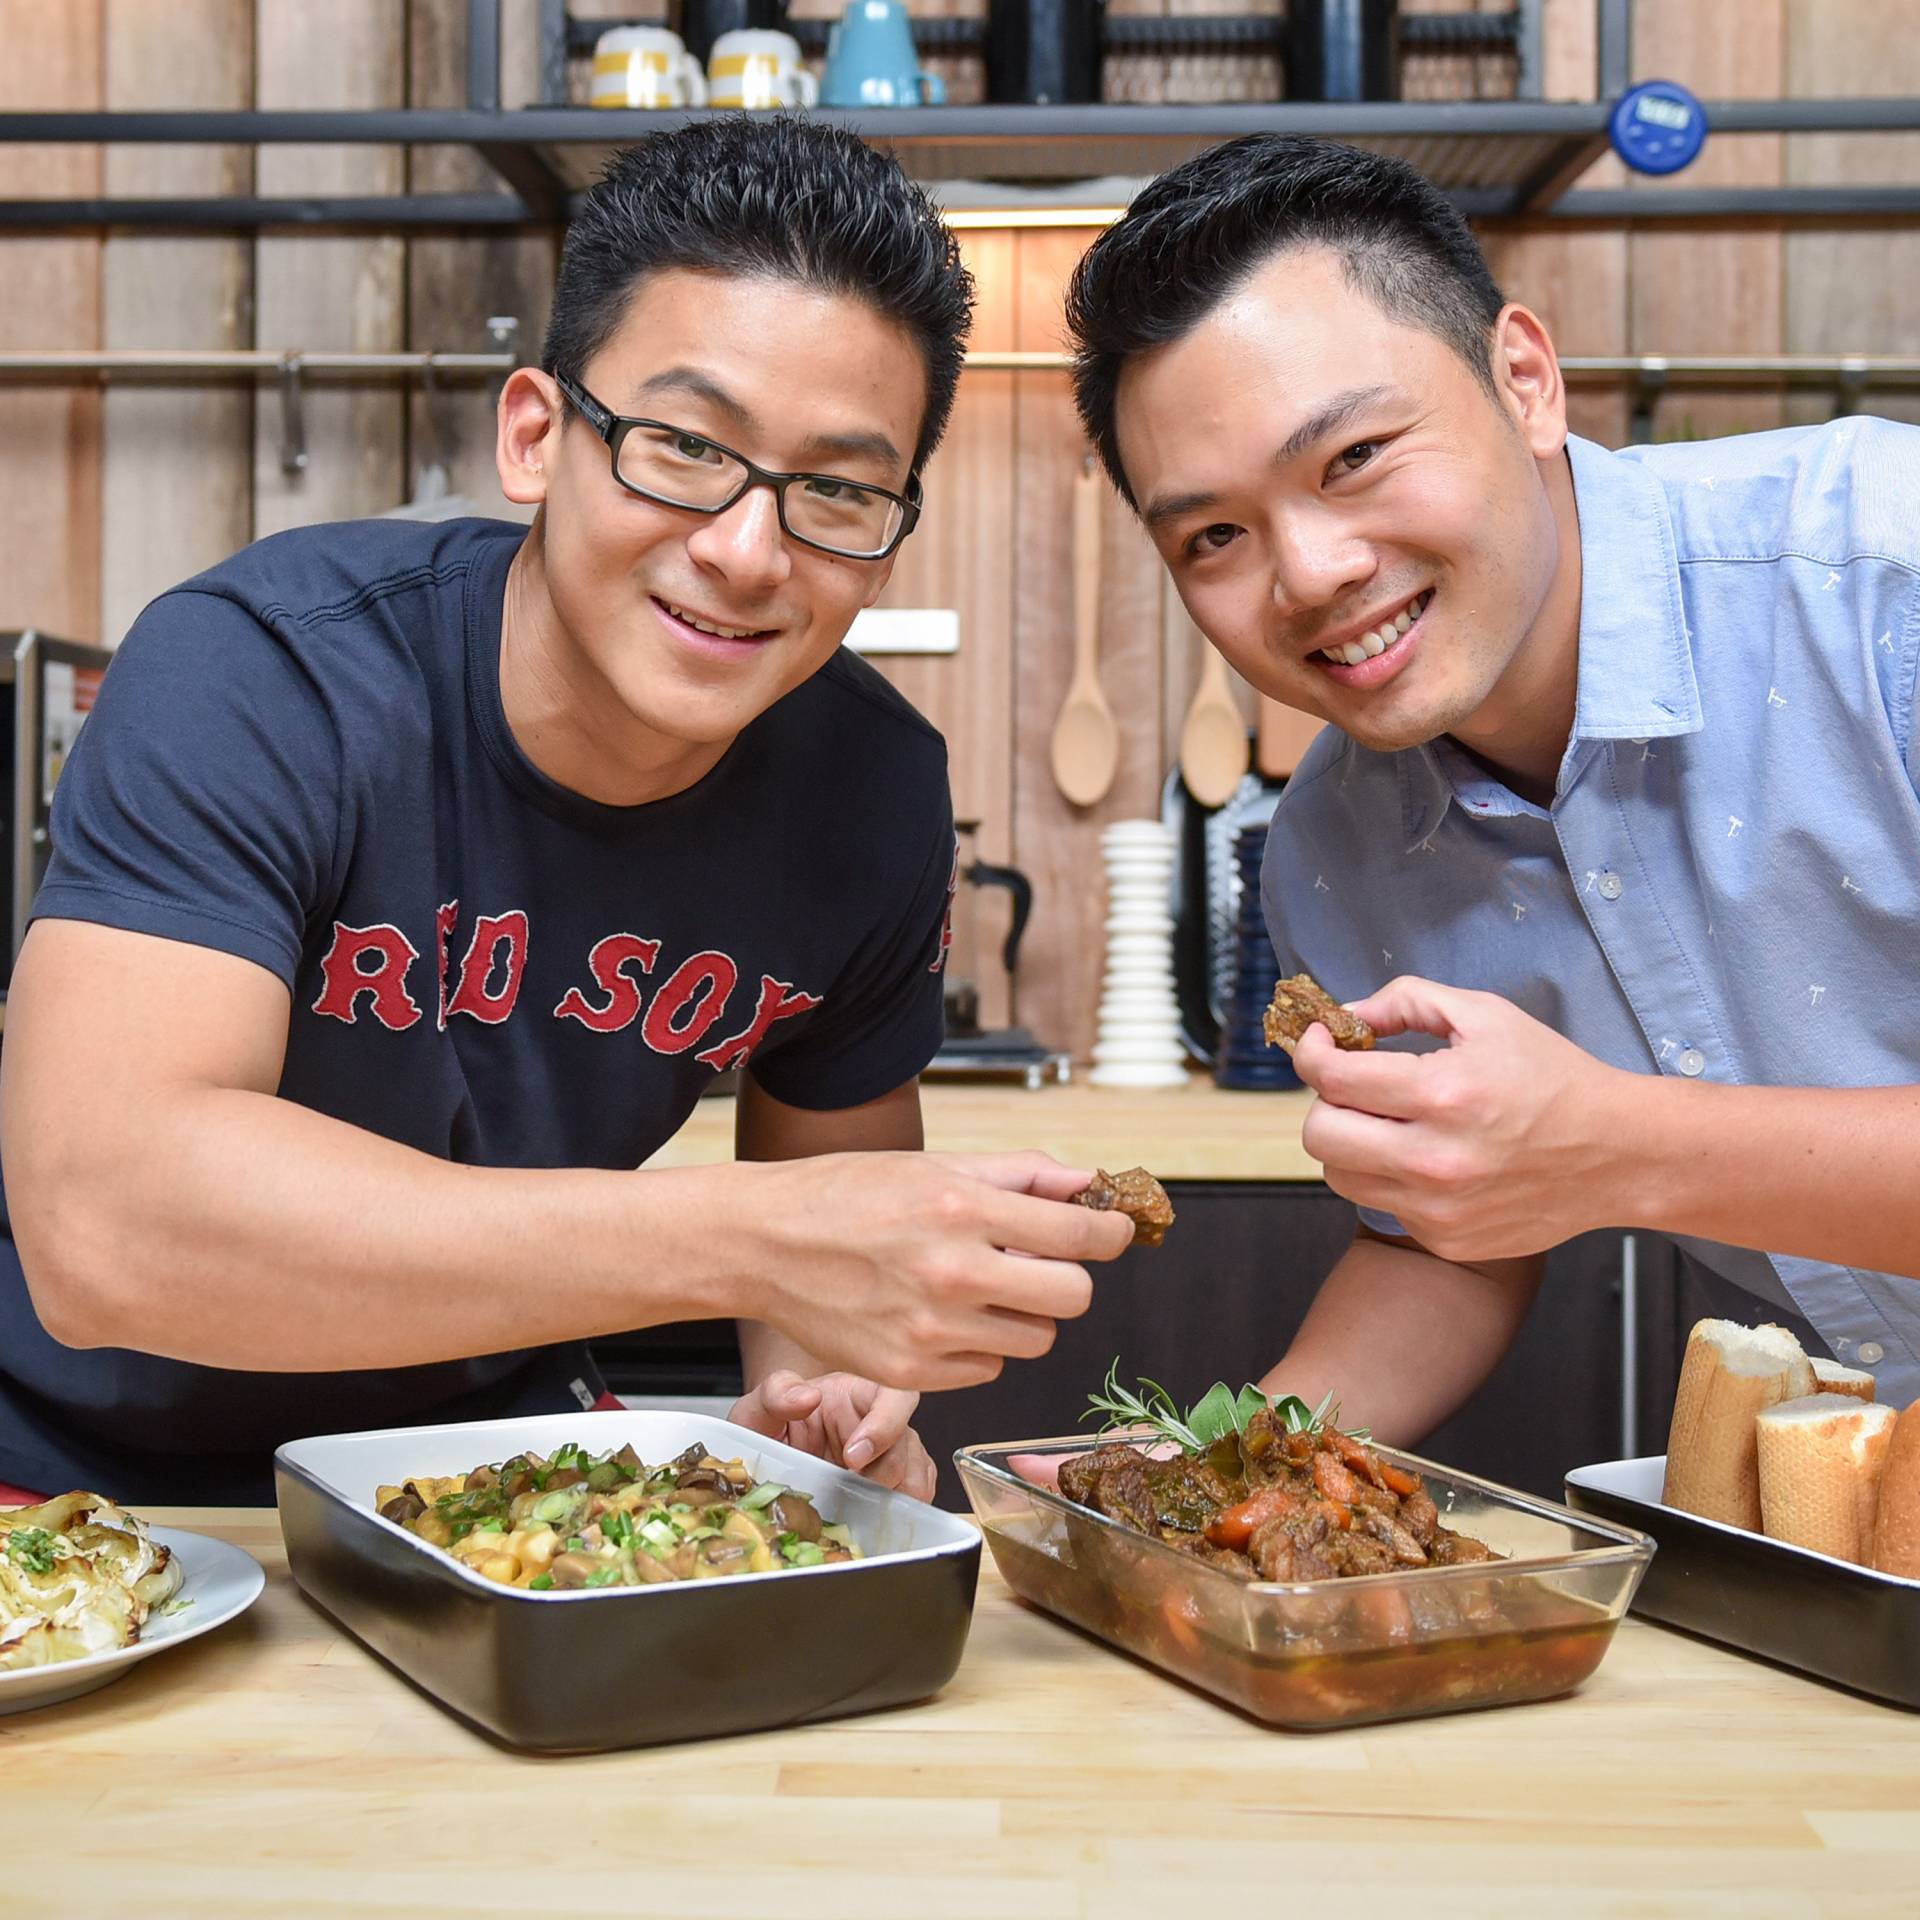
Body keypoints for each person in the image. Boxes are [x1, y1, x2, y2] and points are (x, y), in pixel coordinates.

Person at [0, 116, 1131, 1508]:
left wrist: (822, 1403)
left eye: (836, 489)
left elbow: (816, 1263)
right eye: (681, 446)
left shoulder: (870, 791)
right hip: (67, 1478)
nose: (744, 550)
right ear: (539, 435)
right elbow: (103, 1225)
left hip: (490, 1486)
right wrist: (742, 1236)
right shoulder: (263, 671)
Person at [1063, 133, 1920, 1438]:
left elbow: (1581, 1156)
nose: (1308, 572)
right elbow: (1443, 1243)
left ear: (1524, 380)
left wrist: (1621, 1146)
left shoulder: (1882, 577)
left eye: (1353, 458)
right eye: (1216, 536)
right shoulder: (1333, 852)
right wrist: (1203, 1477)